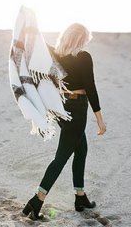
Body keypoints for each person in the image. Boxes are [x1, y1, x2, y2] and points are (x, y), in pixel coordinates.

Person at [22, 23, 107, 220]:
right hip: (77, 110)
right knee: (62, 156)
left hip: (62, 107)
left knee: (81, 148)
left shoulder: (54, 53)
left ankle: (80, 196)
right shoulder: (84, 57)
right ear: (81, 39)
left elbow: (37, 41)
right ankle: (37, 199)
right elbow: (91, 88)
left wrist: (28, 24)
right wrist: (100, 120)